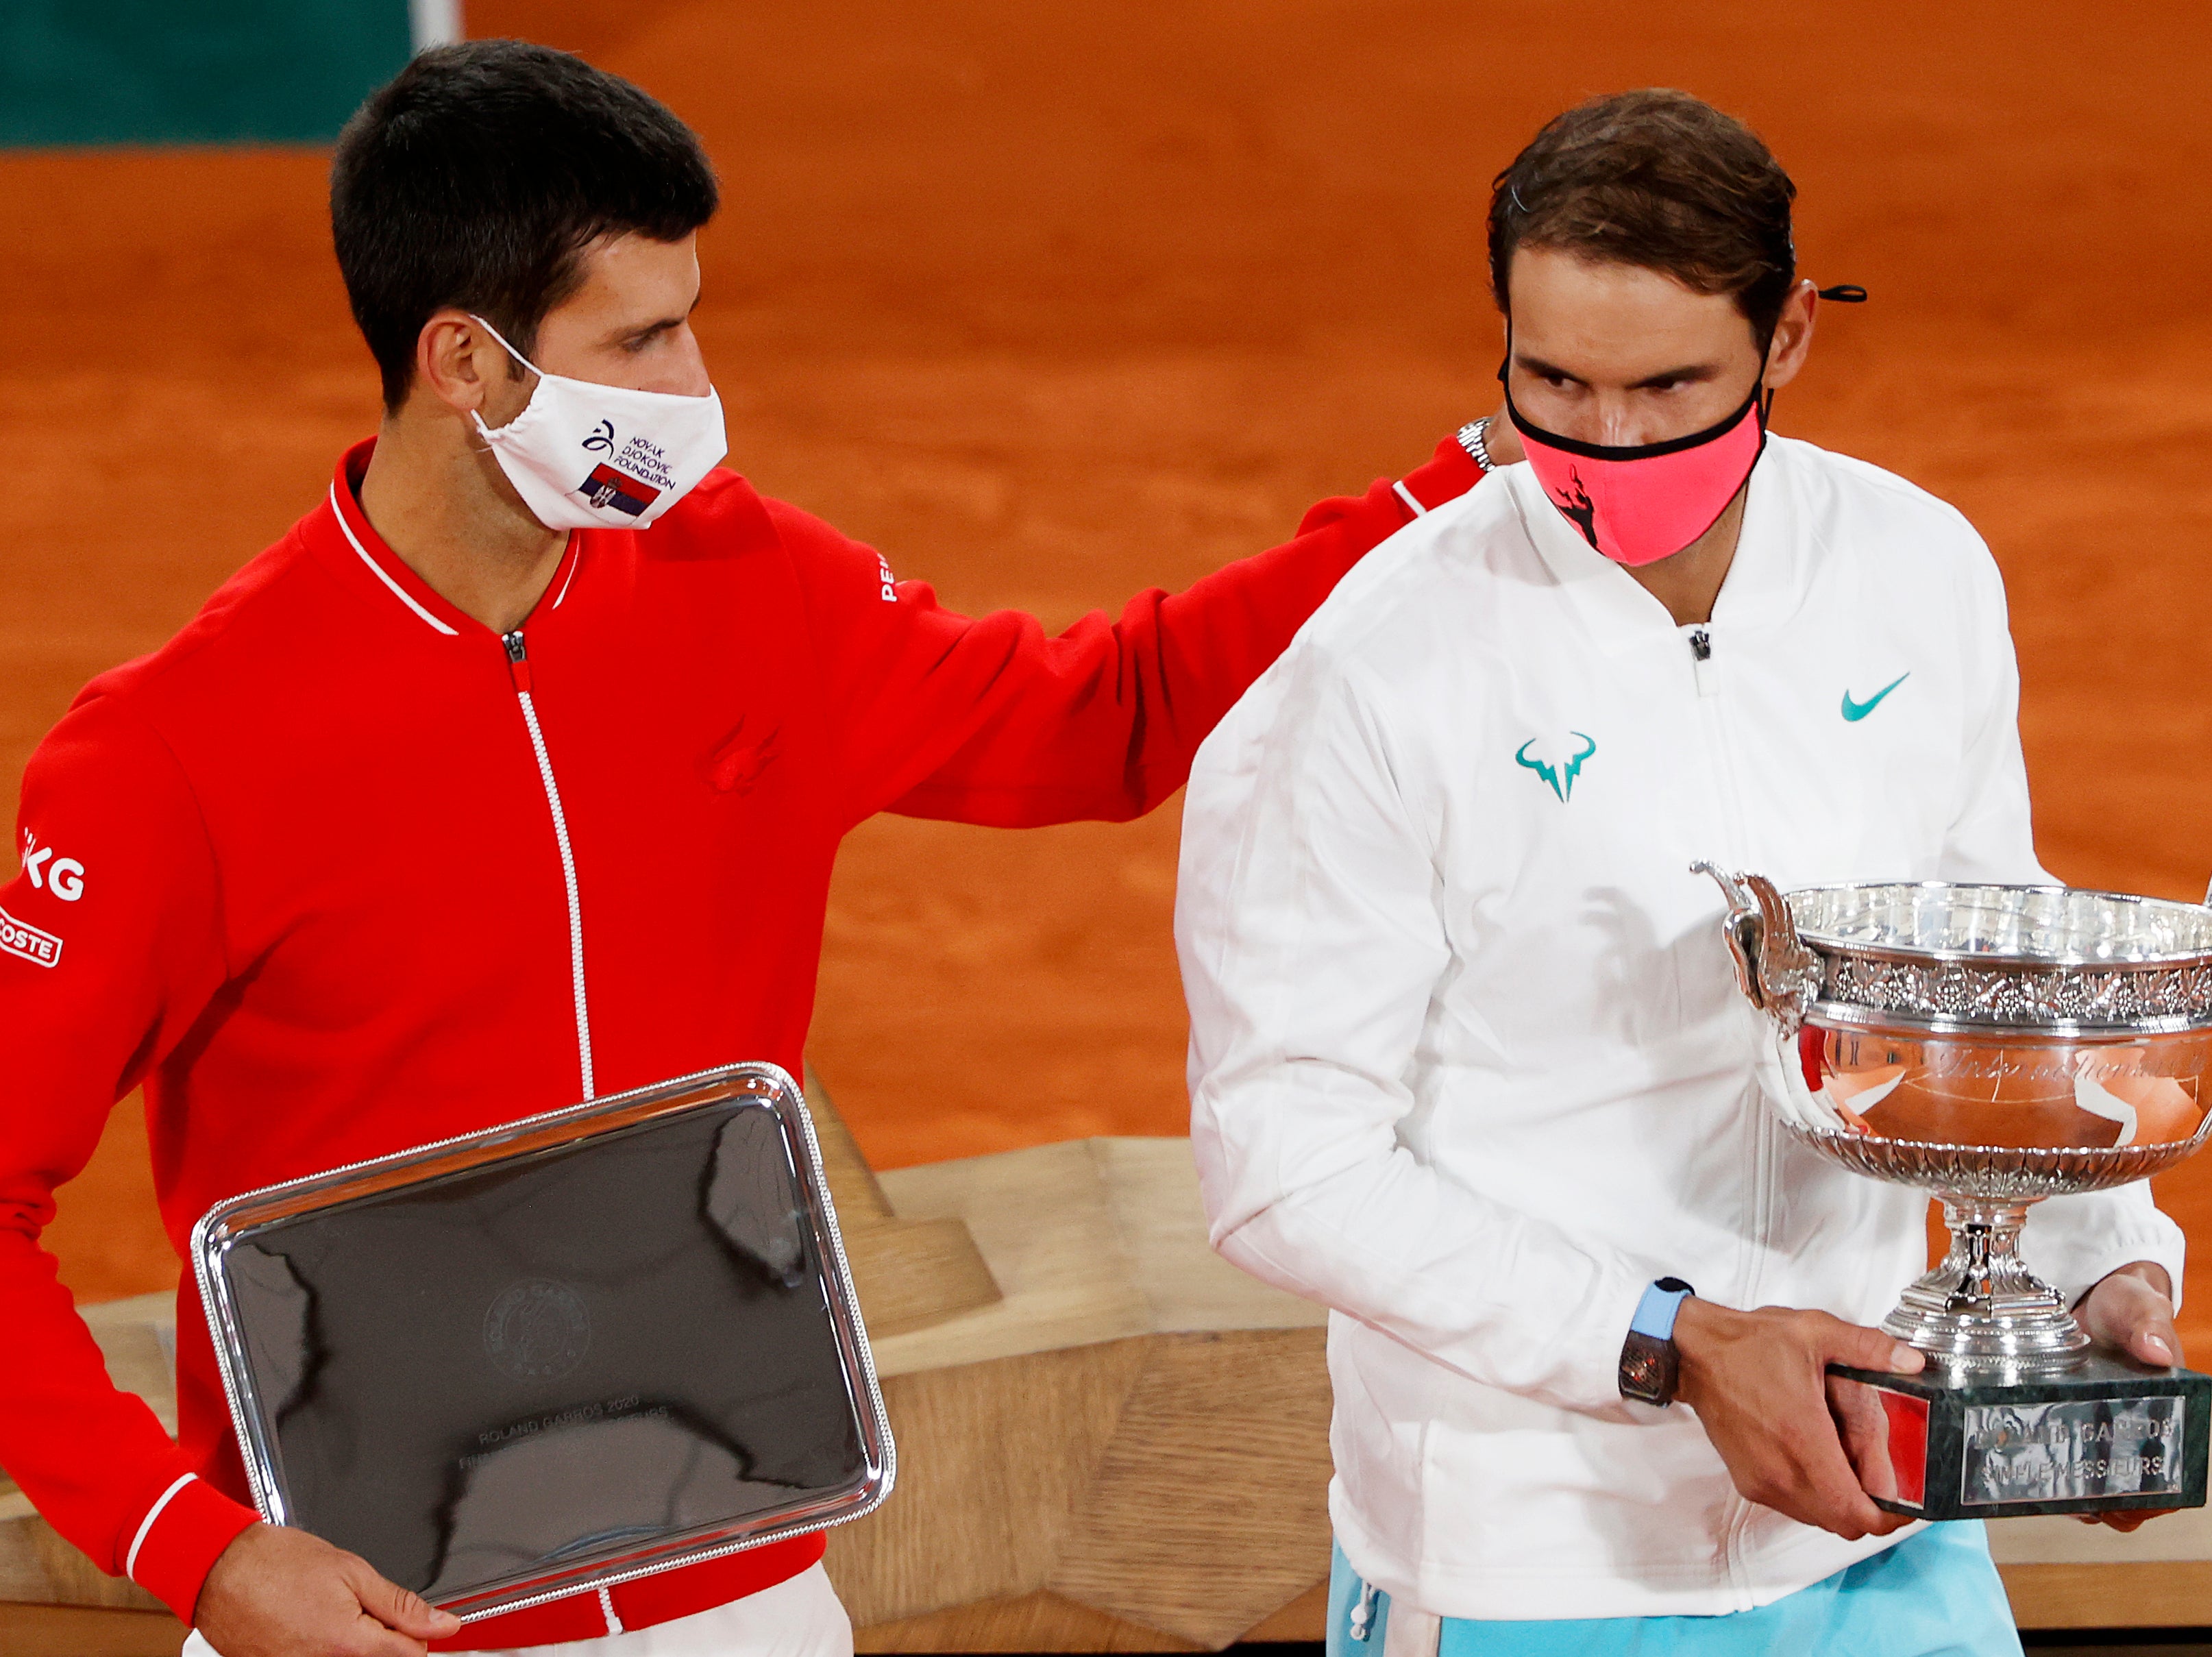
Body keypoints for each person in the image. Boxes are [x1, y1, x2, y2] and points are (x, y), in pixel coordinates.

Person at [0, 40, 1497, 1657]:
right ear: (466, 364)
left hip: (742, 1593)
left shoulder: (750, 586)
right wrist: (195, 1551)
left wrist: (1445, 500)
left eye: (689, 315)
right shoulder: (172, 751)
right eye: (640, 339)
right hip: (378, 1617)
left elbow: (1108, 715)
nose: (693, 383)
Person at [1175, 88, 2185, 1657]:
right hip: (1534, 1565)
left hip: (1875, 1522)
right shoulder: (1374, 671)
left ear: (1785, 340)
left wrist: (2094, 1261)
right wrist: (1671, 1342)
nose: (1608, 447)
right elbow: (1285, 1157)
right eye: (1553, 382)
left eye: (1667, 385)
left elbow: (1999, 966)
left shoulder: (1917, 570)